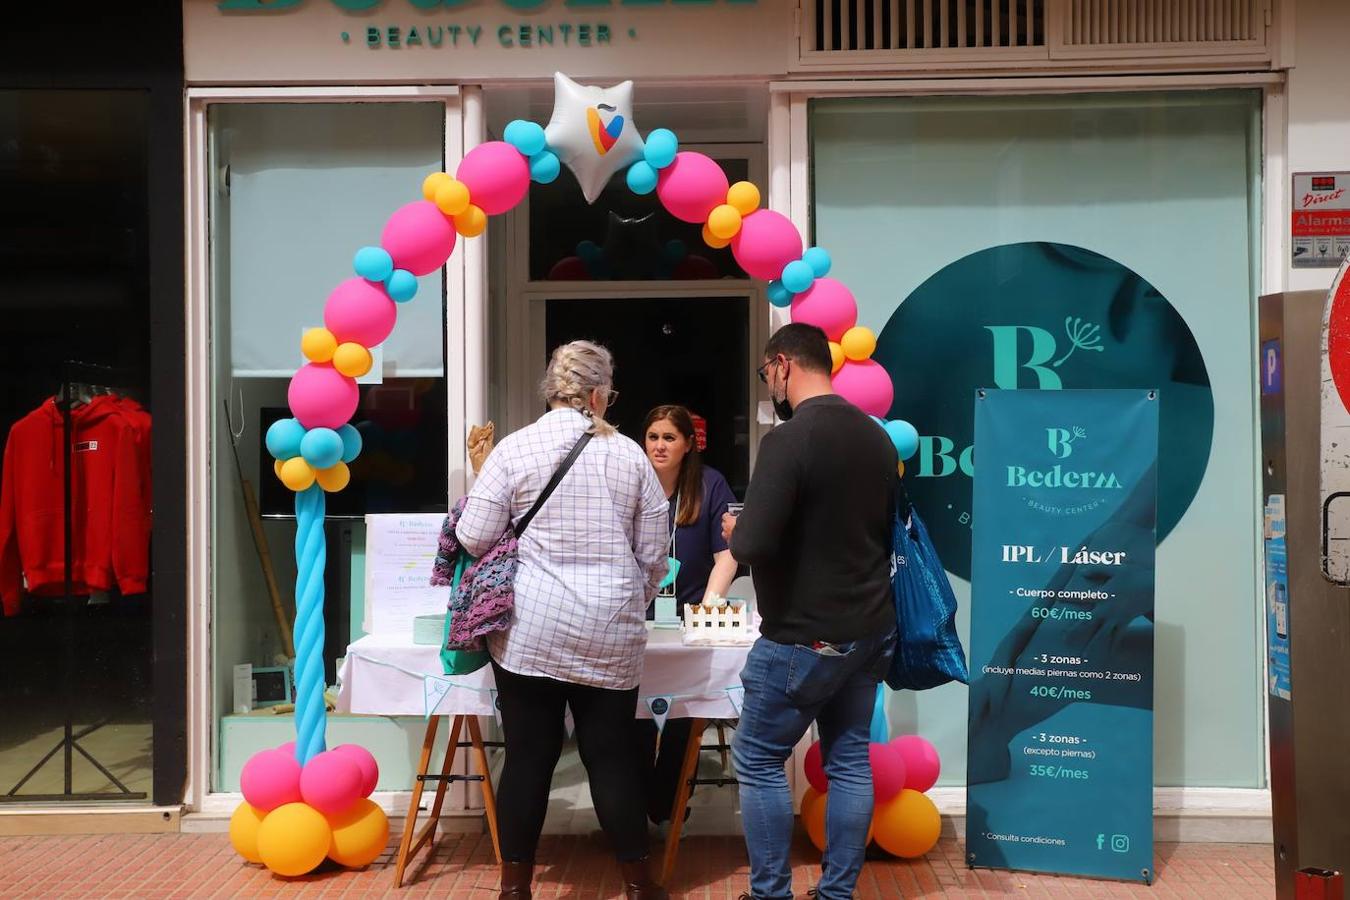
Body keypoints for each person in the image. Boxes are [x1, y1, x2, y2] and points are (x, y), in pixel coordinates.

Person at [456, 340, 671, 900]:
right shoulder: (632, 458)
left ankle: (514, 887)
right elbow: (654, 559)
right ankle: (638, 884)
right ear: (599, 394)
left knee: (528, 757)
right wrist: (626, 599)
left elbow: (473, 536)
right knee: (611, 756)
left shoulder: (514, 450)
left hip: (530, 630)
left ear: (552, 390)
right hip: (609, 633)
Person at [721, 323, 899, 900]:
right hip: (869, 629)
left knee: (757, 757)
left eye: (766, 373)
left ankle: (770, 893)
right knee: (849, 762)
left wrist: (735, 527)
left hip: (804, 636)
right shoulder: (875, 439)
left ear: (782, 366)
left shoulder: (789, 440)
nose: (768, 383)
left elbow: (751, 544)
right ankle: (836, 893)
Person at [635, 404, 738, 831]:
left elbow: (727, 553)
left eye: (669, 438)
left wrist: (711, 607)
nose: (659, 446)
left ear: (688, 444)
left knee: (682, 712)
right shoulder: (631, 479)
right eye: (653, 437)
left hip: (690, 615)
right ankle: (638, 800)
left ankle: (667, 800)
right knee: (636, 714)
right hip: (634, 617)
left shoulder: (710, 484)